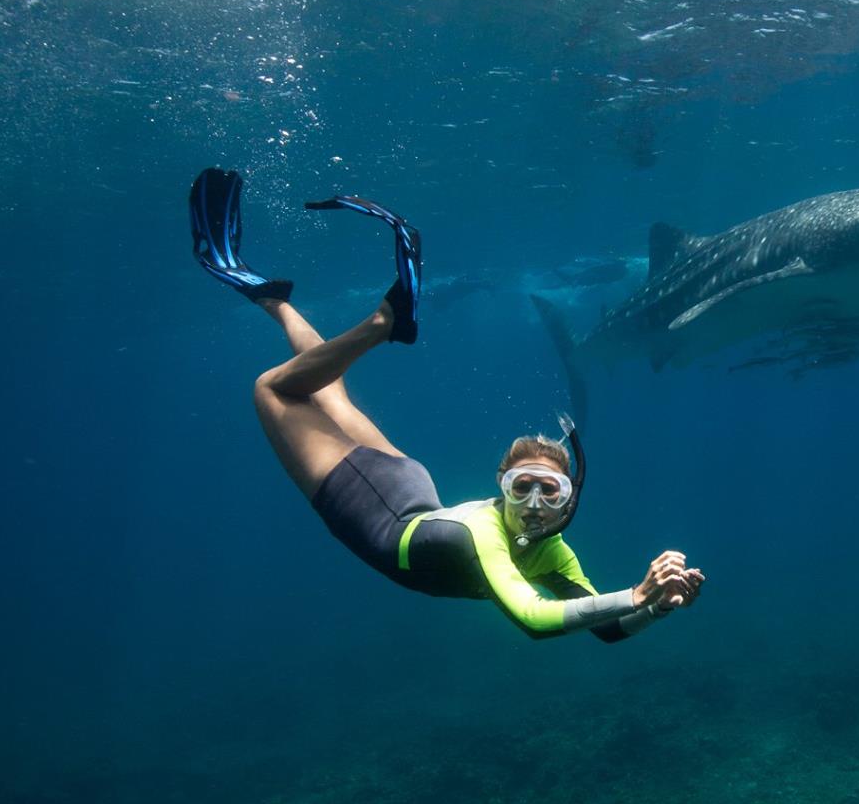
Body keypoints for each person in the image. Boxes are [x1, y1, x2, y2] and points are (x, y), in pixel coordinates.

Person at [188, 168, 703, 642]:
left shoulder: (553, 552)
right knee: (272, 390)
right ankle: (380, 326)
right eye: (521, 487)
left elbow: (605, 629)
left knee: (328, 388)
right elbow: (534, 619)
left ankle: (272, 299)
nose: (533, 502)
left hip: (407, 488)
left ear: (569, 499)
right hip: (366, 497)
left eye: (549, 491)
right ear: (499, 490)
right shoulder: (481, 533)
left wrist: (655, 607)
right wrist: (635, 593)